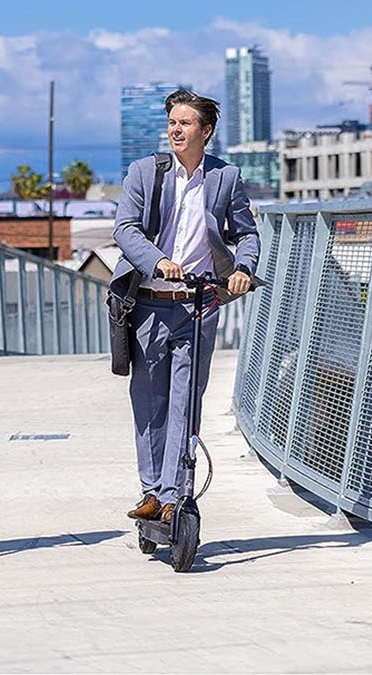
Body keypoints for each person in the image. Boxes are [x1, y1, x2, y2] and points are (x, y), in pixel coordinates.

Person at [111, 90, 260, 525]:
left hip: (199, 304)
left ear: (205, 131)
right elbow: (124, 228)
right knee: (148, 400)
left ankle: (175, 494)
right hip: (148, 303)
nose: (175, 130)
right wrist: (158, 261)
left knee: (185, 402)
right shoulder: (145, 172)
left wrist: (243, 269)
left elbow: (245, 234)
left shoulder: (225, 177)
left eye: (185, 123)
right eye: (172, 123)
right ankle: (152, 491)